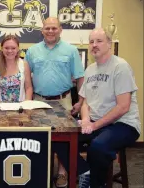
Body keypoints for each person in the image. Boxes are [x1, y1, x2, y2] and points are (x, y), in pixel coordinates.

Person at [53, 28, 141, 188]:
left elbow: (123, 107)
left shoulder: (120, 67)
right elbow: (85, 101)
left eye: (99, 41)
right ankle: (85, 173)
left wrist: (94, 125)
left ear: (109, 44)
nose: (94, 45)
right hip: (95, 123)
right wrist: (86, 120)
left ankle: (95, 184)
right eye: (91, 41)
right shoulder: (90, 69)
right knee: (59, 138)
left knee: (98, 147)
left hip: (123, 124)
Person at [25, 17, 85, 187]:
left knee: (63, 139)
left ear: (60, 29)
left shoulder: (71, 50)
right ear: (42, 30)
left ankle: (61, 173)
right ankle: (40, 172)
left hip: (63, 100)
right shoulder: (32, 51)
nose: (50, 31)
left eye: (54, 28)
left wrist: (80, 101)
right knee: (38, 138)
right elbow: (26, 79)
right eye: (47, 28)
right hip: (38, 101)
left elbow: (80, 78)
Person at [0, 35, 33, 102]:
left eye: (13, 48)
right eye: (6, 48)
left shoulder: (24, 65)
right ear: (2, 49)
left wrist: (27, 102)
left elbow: (28, 88)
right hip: (0, 108)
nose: (10, 51)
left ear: (17, 49)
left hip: (20, 108)